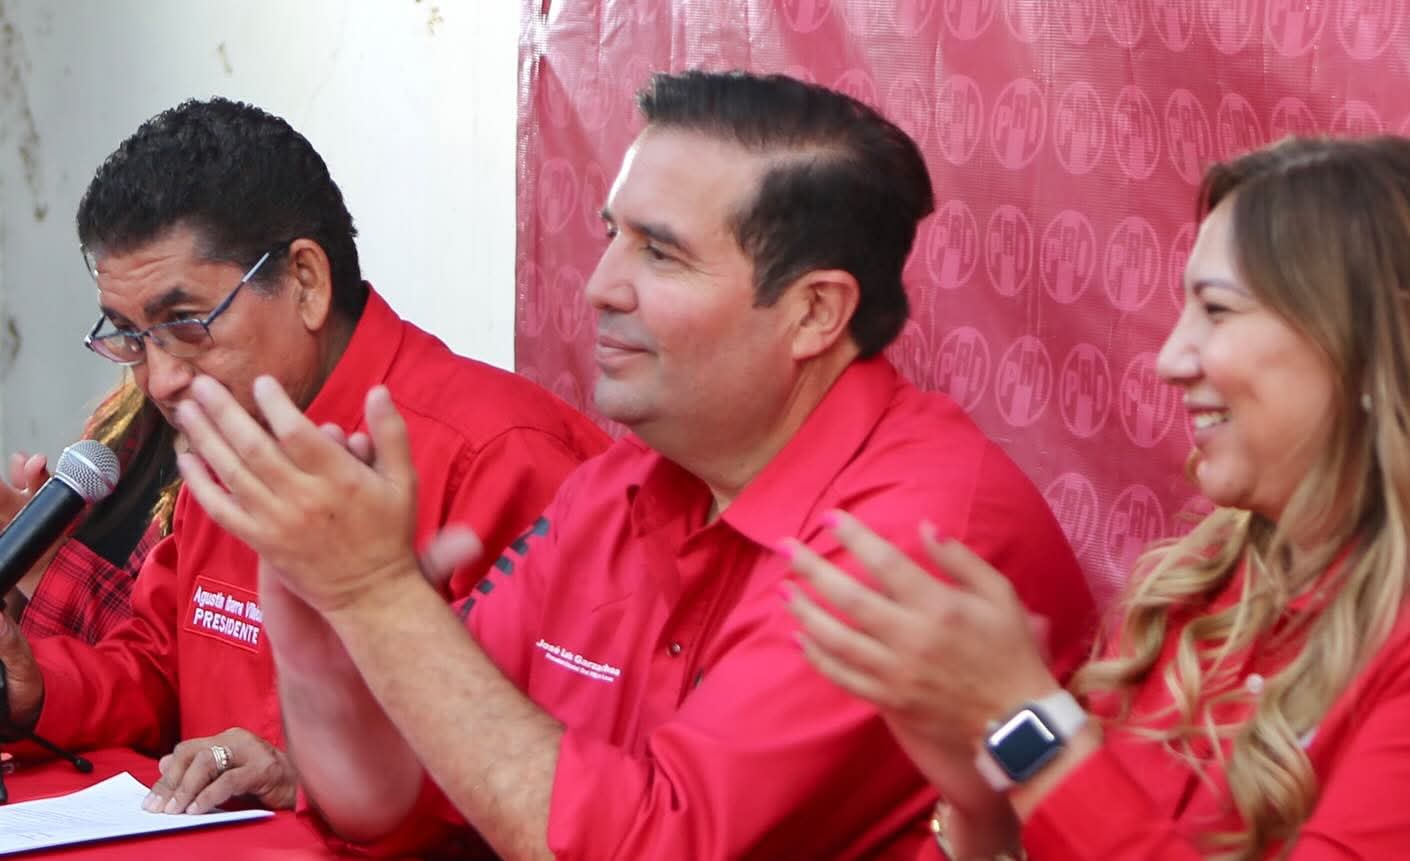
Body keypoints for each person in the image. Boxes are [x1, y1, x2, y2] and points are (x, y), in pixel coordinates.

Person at [173, 70, 1097, 859]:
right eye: (610, 233)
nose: (599, 284)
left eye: (660, 252)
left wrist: (377, 594)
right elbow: (399, 797)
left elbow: (650, 846)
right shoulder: (624, 483)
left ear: (815, 312)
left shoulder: (913, 536)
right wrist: (324, 632)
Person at [783, 135, 1410, 859]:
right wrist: (982, 805)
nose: (1170, 359)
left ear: (1374, 345)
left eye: (1218, 309)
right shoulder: (1195, 590)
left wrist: (1021, 719)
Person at [0, 97, 609, 818]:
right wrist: (38, 689)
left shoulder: (501, 457)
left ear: (306, 282)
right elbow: (161, 665)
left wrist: (312, 778)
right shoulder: (237, 428)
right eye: (130, 337)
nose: (158, 381)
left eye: (185, 325)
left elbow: (567, 781)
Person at [3, 376, 178, 644]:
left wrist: (39, 562)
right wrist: (13, 584)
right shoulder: (124, 419)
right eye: (134, 351)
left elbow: (171, 657)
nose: (158, 378)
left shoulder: (233, 484)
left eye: (186, 349)